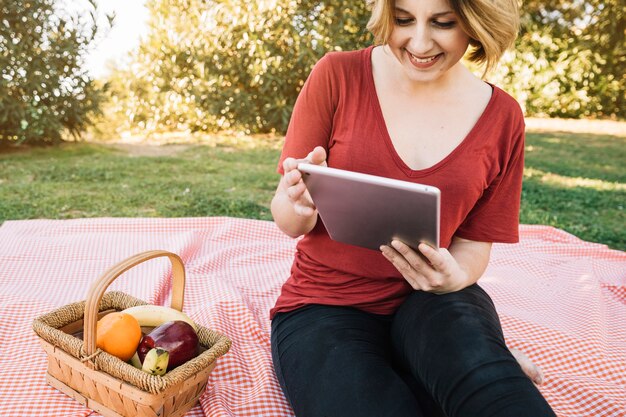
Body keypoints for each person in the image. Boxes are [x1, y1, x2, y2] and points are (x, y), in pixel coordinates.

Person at [270, 0, 557, 415]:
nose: (419, 43)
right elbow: (288, 219)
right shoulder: (336, 74)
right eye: (403, 20)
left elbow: (475, 242)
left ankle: (472, 359)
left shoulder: (503, 117)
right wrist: (297, 202)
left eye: (442, 23)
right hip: (324, 307)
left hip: (434, 301)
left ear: (476, 24)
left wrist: (453, 277)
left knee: (498, 393)